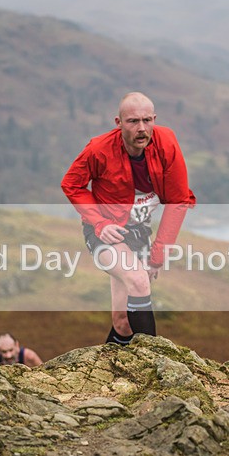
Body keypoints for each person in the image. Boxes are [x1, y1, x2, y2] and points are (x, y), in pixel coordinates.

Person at [61, 92, 196, 345]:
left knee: (122, 322)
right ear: (118, 122)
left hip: (139, 232)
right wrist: (100, 223)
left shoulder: (167, 142)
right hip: (106, 232)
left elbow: (178, 201)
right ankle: (155, 362)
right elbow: (71, 184)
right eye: (133, 121)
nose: (142, 128)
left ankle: (108, 368)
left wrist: (157, 257)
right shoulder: (98, 150)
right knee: (137, 280)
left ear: (155, 119)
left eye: (147, 120)